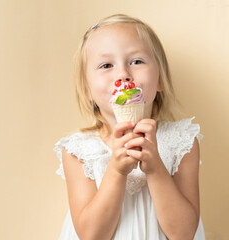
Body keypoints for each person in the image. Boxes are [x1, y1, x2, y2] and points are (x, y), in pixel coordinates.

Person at [54, 14, 205, 239]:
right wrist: (115, 171)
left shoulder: (182, 142)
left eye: (136, 61)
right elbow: (91, 235)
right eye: (106, 65)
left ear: (161, 79)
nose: (123, 75)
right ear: (87, 90)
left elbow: (183, 233)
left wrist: (155, 168)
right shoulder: (78, 152)